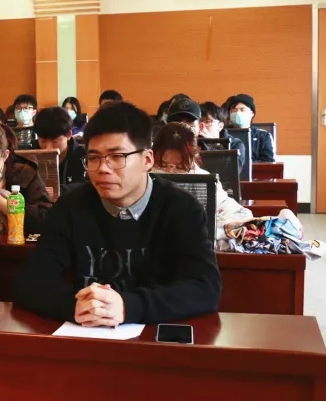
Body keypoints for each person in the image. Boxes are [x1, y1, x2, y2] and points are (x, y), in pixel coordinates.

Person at [12, 102, 222, 325]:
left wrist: (127, 306)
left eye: (117, 156)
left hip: (156, 337)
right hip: (87, 333)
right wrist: (75, 306)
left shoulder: (182, 209)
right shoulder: (70, 208)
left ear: (147, 160)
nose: (103, 168)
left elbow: (205, 288)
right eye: (94, 158)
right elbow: (29, 282)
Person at [152, 123, 252, 244]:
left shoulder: (204, 179)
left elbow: (238, 214)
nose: (170, 171)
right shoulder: (143, 176)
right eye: (163, 165)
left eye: (180, 166)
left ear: (193, 158)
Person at [33, 106, 87, 194]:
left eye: (55, 141)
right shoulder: (31, 156)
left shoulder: (84, 156)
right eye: (43, 141)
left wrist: (59, 190)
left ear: (69, 135)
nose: (48, 148)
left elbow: (88, 186)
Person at [225, 94, 275, 162]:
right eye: (234, 110)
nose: (238, 113)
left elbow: (269, 163)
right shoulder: (223, 134)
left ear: (252, 113)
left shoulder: (263, 136)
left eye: (242, 110)